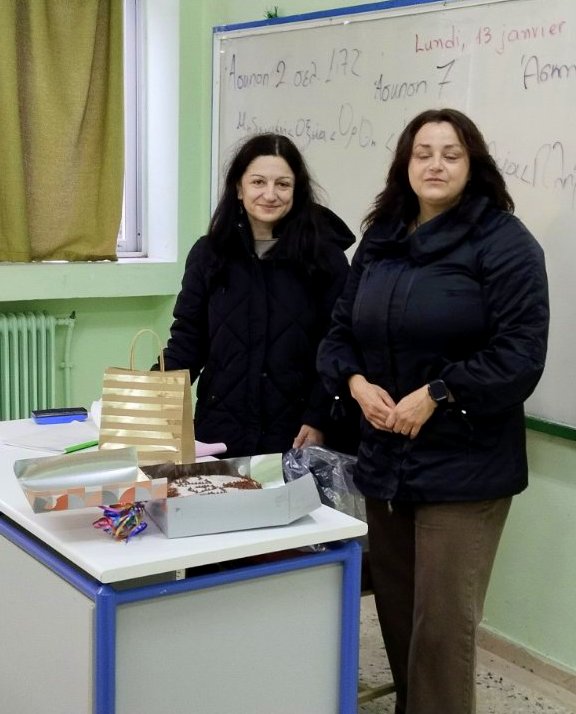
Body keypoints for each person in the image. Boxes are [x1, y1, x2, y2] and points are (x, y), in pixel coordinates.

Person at [317, 108, 549, 714]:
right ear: (406, 163)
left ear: (473, 165)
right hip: (385, 462)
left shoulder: (504, 242)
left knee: (442, 633)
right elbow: (339, 333)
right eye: (423, 153)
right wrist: (356, 383)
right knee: (398, 617)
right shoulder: (382, 238)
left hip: (465, 467)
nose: (436, 165)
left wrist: (439, 393)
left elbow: (520, 356)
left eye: (451, 154)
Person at [158, 132, 356, 458]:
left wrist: (318, 416)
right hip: (220, 433)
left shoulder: (326, 260)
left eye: (283, 184)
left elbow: (337, 345)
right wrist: (148, 402)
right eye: (258, 182)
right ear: (239, 188)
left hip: (296, 435)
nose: (270, 194)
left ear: (297, 190)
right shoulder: (209, 254)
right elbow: (187, 342)